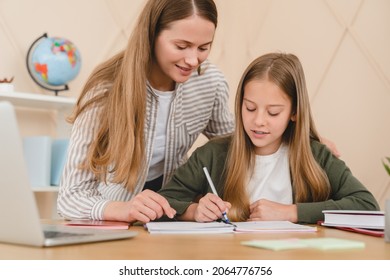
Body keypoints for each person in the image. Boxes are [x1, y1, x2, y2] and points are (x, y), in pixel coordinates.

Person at [57, 0, 235, 223]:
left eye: (203, 48)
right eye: (181, 46)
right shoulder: (106, 89)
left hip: (178, 219)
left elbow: (237, 151)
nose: (192, 60)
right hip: (118, 219)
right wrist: (123, 210)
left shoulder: (210, 83)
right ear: (151, 35)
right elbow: (70, 198)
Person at [158, 52, 380, 224]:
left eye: (273, 112)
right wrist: (194, 211)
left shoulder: (317, 156)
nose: (258, 121)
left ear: (295, 113)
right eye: (250, 108)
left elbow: (366, 205)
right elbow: (162, 203)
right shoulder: (213, 154)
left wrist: (290, 212)